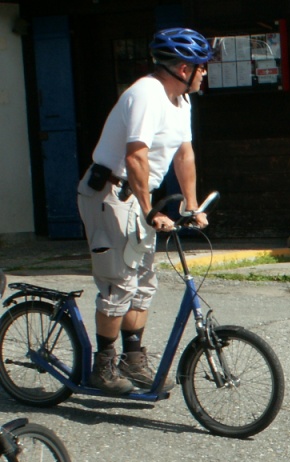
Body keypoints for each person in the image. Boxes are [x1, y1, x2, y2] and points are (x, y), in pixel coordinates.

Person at [76, 28, 214, 395]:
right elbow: (135, 156)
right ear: (183, 68)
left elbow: (184, 154)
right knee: (119, 282)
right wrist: (149, 209)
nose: (204, 73)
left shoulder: (181, 101)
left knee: (144, 281)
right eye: (201, 67)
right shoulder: (146, 94)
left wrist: (191, 205)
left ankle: (132, 360)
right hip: (111, 192)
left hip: (138, 194)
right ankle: (102, 367)